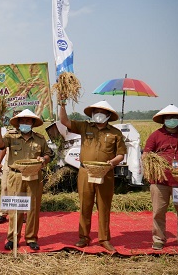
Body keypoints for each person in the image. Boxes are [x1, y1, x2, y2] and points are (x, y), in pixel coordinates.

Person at [59, 100, 126, 252]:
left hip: (106, 173)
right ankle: (83, 237)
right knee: (85, 205)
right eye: (96, 112)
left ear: (108, 115)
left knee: (104, 206)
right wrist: (62, 104)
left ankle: (104, 239)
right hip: (85, 172)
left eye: (102, 112)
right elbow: (64, 121)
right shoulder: (85, 127)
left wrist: (111, 163)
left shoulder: (115, 133)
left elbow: (121, 154)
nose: (98, 115)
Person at [0, 109, 51, 251]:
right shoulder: (11, 136)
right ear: (18, 123)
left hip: (34, 177)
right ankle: (12, 238)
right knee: (15, 209)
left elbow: (48, 154)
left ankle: (31, 238)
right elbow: (0, 144)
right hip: (16, 176)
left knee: (33, 209)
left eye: (28, 120)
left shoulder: (40, 139)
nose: (25, 123)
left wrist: (43, 159)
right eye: (22, 120)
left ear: (32, 123)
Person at [143, 104, 178, 252]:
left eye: (174, 117)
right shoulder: (156, 135)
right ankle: (159, 239)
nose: (171, 119)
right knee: (158, 212)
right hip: (159, 181)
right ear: (163, 119)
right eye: (168, 117)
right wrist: (150, 163)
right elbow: (146, 154)